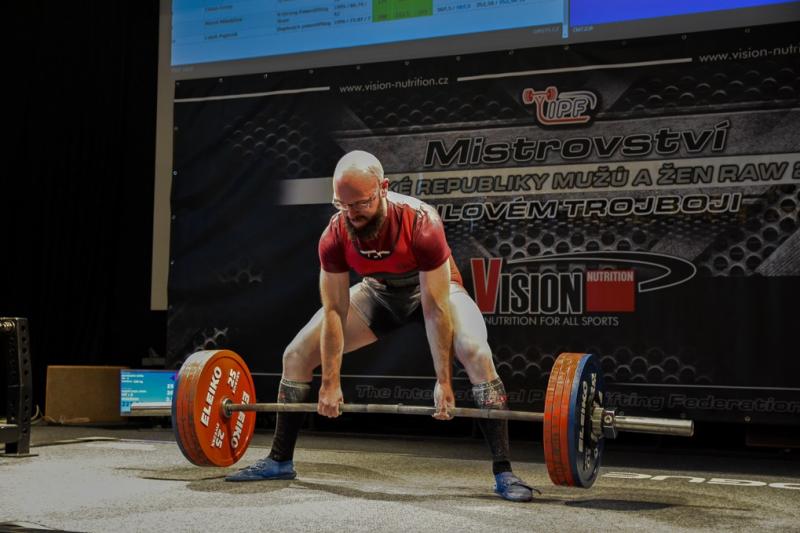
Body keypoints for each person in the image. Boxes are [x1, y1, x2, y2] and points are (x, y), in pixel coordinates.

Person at [225, 150, 537, 502]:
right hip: (380, 292)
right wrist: (330, 382)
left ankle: (504, 472)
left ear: (383, 188)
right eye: (342, 205)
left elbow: (435, 308)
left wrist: (444, 381)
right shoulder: (335, 232)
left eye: (361, 204)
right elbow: (335, 310)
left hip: (436, 290)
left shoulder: (421, 222)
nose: (352, 214)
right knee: (296, 355)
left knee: (476, 352)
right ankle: (280, 460)